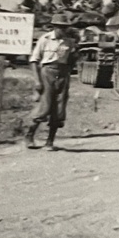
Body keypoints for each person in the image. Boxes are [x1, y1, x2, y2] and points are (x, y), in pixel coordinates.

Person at [24, 13, 76, 151]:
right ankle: (29, 136)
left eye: (65, 28)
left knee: (59, 110)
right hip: (47, 72)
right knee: (44, 107)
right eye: (61, 27)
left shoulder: (69, 42)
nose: (63, 30)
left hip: (63, 74)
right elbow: (34, 60)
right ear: (55, 27)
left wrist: (67, 73)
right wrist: (37, 81)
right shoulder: (45, 39)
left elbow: (71, 60)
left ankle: (50, 141)